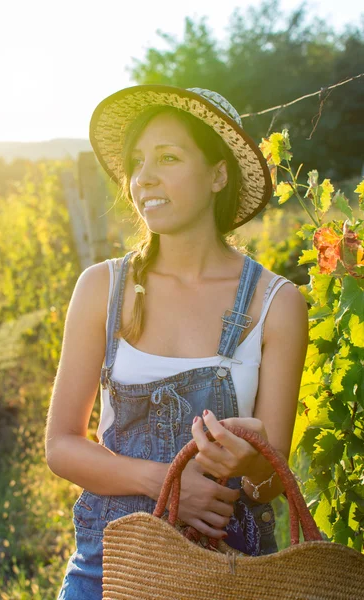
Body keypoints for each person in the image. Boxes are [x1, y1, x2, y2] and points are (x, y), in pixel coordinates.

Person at [45, 85, 309, 599]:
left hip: (235, 575)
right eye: (137, 161)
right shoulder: (103, 287)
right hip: (108, 570)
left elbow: (271, 481)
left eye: (167, 157)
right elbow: (61, 446)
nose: (144, 177)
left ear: (217, 175)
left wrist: (250, 460)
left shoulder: (277, 304)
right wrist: (166, 482)